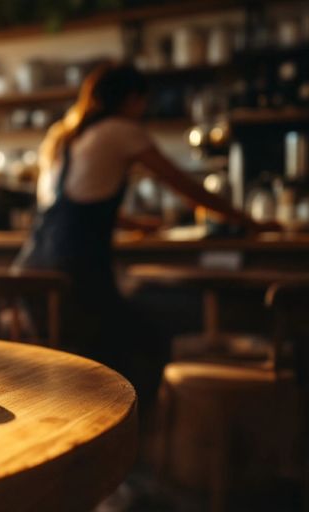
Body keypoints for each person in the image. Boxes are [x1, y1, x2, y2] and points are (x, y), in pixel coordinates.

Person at [15, 62, 274, 405]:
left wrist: (136, 225)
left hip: (32, 270)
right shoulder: (121, 129)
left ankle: (93, 422)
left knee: (99, 347)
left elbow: (73, 203)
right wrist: (247, 221)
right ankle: (134, 432)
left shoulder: (64, 137)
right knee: (149, 341)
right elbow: (184, 186)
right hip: (74, 274)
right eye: (143, 101)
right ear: (132, 99)